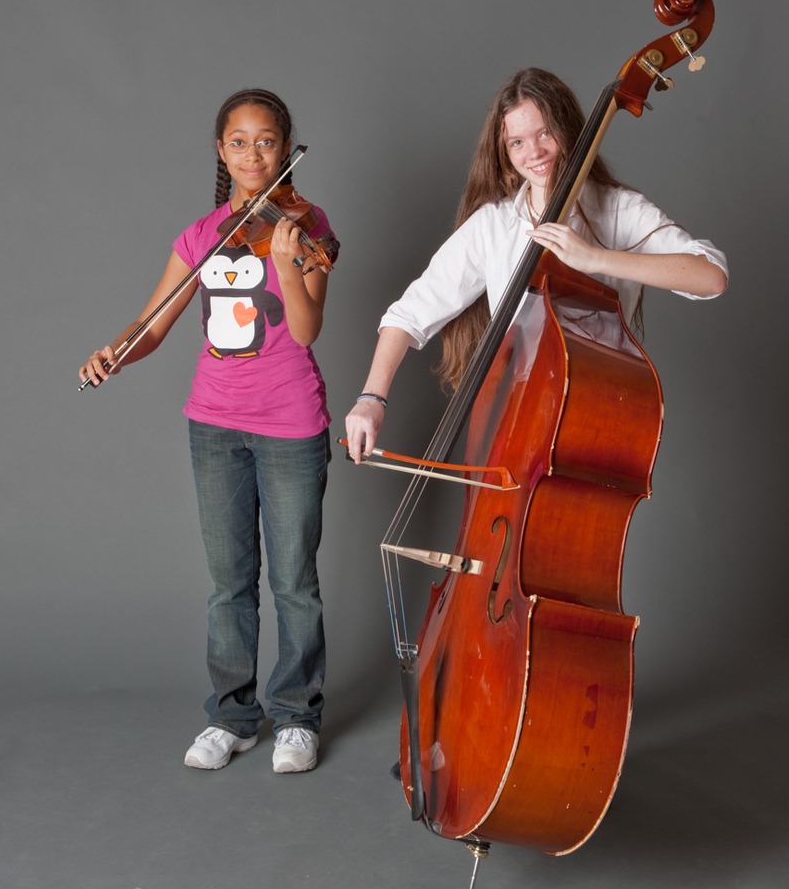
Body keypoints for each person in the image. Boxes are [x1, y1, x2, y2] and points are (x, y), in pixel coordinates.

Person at [80, 88, 338, 774]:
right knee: (228, 584)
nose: (253, 153)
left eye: (267, 141)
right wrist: (116, 350)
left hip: (290, 424)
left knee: (294, 581)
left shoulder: (306, 224)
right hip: (213, 426)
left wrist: (287, 261)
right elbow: (154, 325)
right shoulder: (201, 235)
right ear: (221, 151)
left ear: (285, 149)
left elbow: (308, 329)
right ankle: (234, 716)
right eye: (238, 141)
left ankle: (297, 717)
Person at [345, 67, 727, 461]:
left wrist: (595, 257)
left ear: (569, 131)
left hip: (597, 414)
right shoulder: (494, 225)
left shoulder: (617, 209)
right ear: (506, 155)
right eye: (517, 142)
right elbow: (408, 314)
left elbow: (710, 275)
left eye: (545, 133)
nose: (535, 153)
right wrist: (372, 398)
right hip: (515, 419)